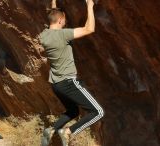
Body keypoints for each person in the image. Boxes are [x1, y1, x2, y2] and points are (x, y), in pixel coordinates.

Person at [40, 0, 104, 145]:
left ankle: (51, 130)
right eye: (64, 20)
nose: (66, 22)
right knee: (98, 112)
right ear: (61, 20)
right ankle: (68, 131)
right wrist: (90, 5)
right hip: (68, 82)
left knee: (73, 111)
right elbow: (89, 29)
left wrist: (54, 3)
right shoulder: (63, 35)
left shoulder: (44, 35)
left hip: (56, 85)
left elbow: (53, 15)